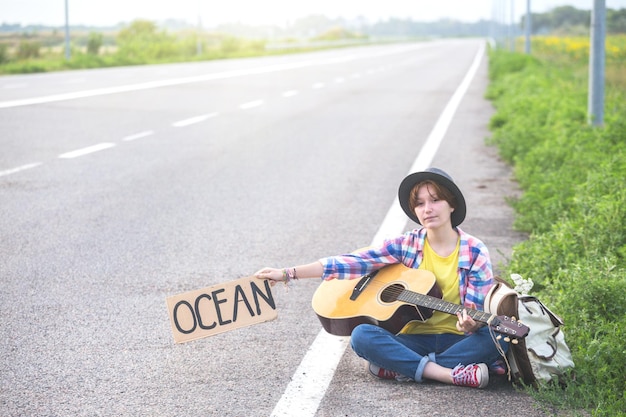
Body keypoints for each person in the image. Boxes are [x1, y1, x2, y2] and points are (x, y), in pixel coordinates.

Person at [254, 168, 507, 389]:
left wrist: (471, 324)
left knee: (499, 338)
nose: (427, 209)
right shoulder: (407, 244)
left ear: (452, 204)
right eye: (419, 204)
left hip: (457, 340)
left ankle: (402, 368)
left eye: (435, 200)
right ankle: (450, 374)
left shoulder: (474, 250)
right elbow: (354, 262)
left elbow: (473, 312)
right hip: (411, 339)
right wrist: (288, 273)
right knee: (362, 336)